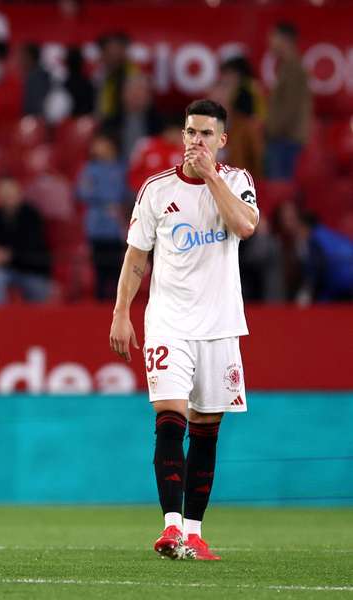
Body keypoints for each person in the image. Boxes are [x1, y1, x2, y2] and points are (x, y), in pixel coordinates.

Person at [109, 99, 258, 561]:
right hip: (169, 322)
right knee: (169, 419)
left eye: (205, 134)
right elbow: (137, 257)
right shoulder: (155, 190)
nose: (196, 141)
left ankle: (194, 532)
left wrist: (212, 177)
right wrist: (120, 312)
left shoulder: (237, 181)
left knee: (207, 430)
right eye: (191, 132)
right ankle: (171, 528)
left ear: (221, 140)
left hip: (219, 325)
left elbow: (246, 226)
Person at [0, 175, 51, 303]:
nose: (7, 197)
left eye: (10, 193)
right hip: (3, 269)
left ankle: (37, 321)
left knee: (38, 288)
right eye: (3, 193)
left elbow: (34, 247)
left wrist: (9, 255)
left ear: (19, 194)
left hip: (31, 270)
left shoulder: (32, 215)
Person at [76, 132, 129, 300]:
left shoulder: (122, 168)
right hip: (96, 224)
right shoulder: (90, 169)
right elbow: (82, 192)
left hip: (116, 225)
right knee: (99, 268)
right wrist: (105, 200)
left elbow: (128, 192)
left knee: (116, 267)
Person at [264, 22, 312, 180]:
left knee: (281, 192)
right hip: (283, 140)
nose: (270, 41)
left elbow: (290, 109)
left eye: (273, 37)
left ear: (285, 40)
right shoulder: (288, 67)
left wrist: (271, 129)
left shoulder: (294, 69)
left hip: (284, 142)